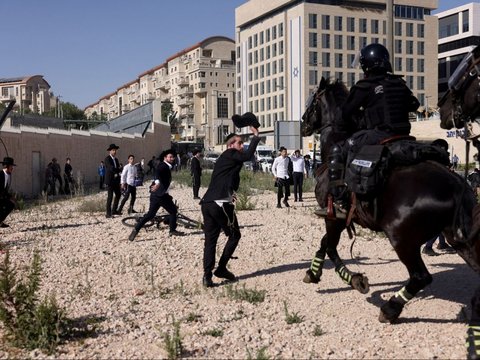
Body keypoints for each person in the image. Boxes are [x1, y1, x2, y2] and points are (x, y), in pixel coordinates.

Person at [317, 43, 420, 218]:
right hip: (405, 136)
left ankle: (339, 202)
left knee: (337, 150)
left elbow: (344, 115)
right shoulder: (399, 83)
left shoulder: (365, 86)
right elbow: (414, 104)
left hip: (379, 135)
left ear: (368, 64)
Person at [200, 125, 261, 288]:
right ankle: (220, 269)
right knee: (234, 235)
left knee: (210, 241)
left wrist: (230, 191)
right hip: (220, 204)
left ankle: (207, 277)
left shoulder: (226, 159)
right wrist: (255, 136)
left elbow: (230, 178)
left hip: (208, 203)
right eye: (240, 143)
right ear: (230, 146)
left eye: (243, 143)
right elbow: (248, 156)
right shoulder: (231, 154)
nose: (242, 146)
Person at [128, 149, 184, 241]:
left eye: (172, 157)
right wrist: (157, 183)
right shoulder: (163, 165)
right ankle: (172, 230)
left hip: (156, 195)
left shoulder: (166, 166)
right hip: (161, 195)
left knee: (150, 215)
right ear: (165, 158)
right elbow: (157, 172)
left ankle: (136, 229)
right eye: (170, 157)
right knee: (173, 211)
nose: (172, 158)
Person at [104, 143, 122, 218]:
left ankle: (114, 210)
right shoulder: (107, 159)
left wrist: (119, 170)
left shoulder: (116, 159)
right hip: (110, 181)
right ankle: (108, 213)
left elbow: (119, 169)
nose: (114, 152)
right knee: (110, 196)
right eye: (113, 150)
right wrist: (118, 169)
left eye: (115, 150)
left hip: (116, 181)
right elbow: (111, 168)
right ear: (110, 151)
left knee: (118, 194)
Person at [0, 157, 16, 228]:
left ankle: (0, 221)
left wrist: (10, 197)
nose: (12, 168)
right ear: (7, 166)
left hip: (2, 197)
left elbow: (5, 190)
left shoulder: (8, 175)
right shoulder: (0, 174)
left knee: (11, 204)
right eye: (11, 166)